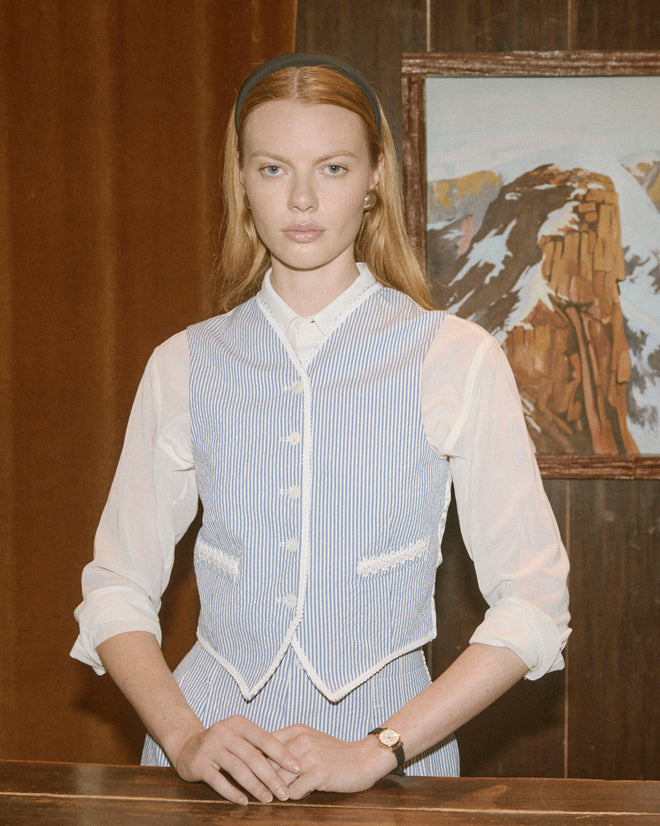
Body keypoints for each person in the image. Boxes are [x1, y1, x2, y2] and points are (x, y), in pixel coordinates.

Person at [71, 53, 570, 806]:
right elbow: (116, 586)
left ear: (375, 178)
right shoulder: (184, 364)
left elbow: (533, 603)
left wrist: (378, 749)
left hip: (395, 768)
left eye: (332, 168)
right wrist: (185, 737)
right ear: (241, 179)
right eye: (273, 169)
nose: (302, 199)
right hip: (208, 767)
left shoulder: (456, 357)